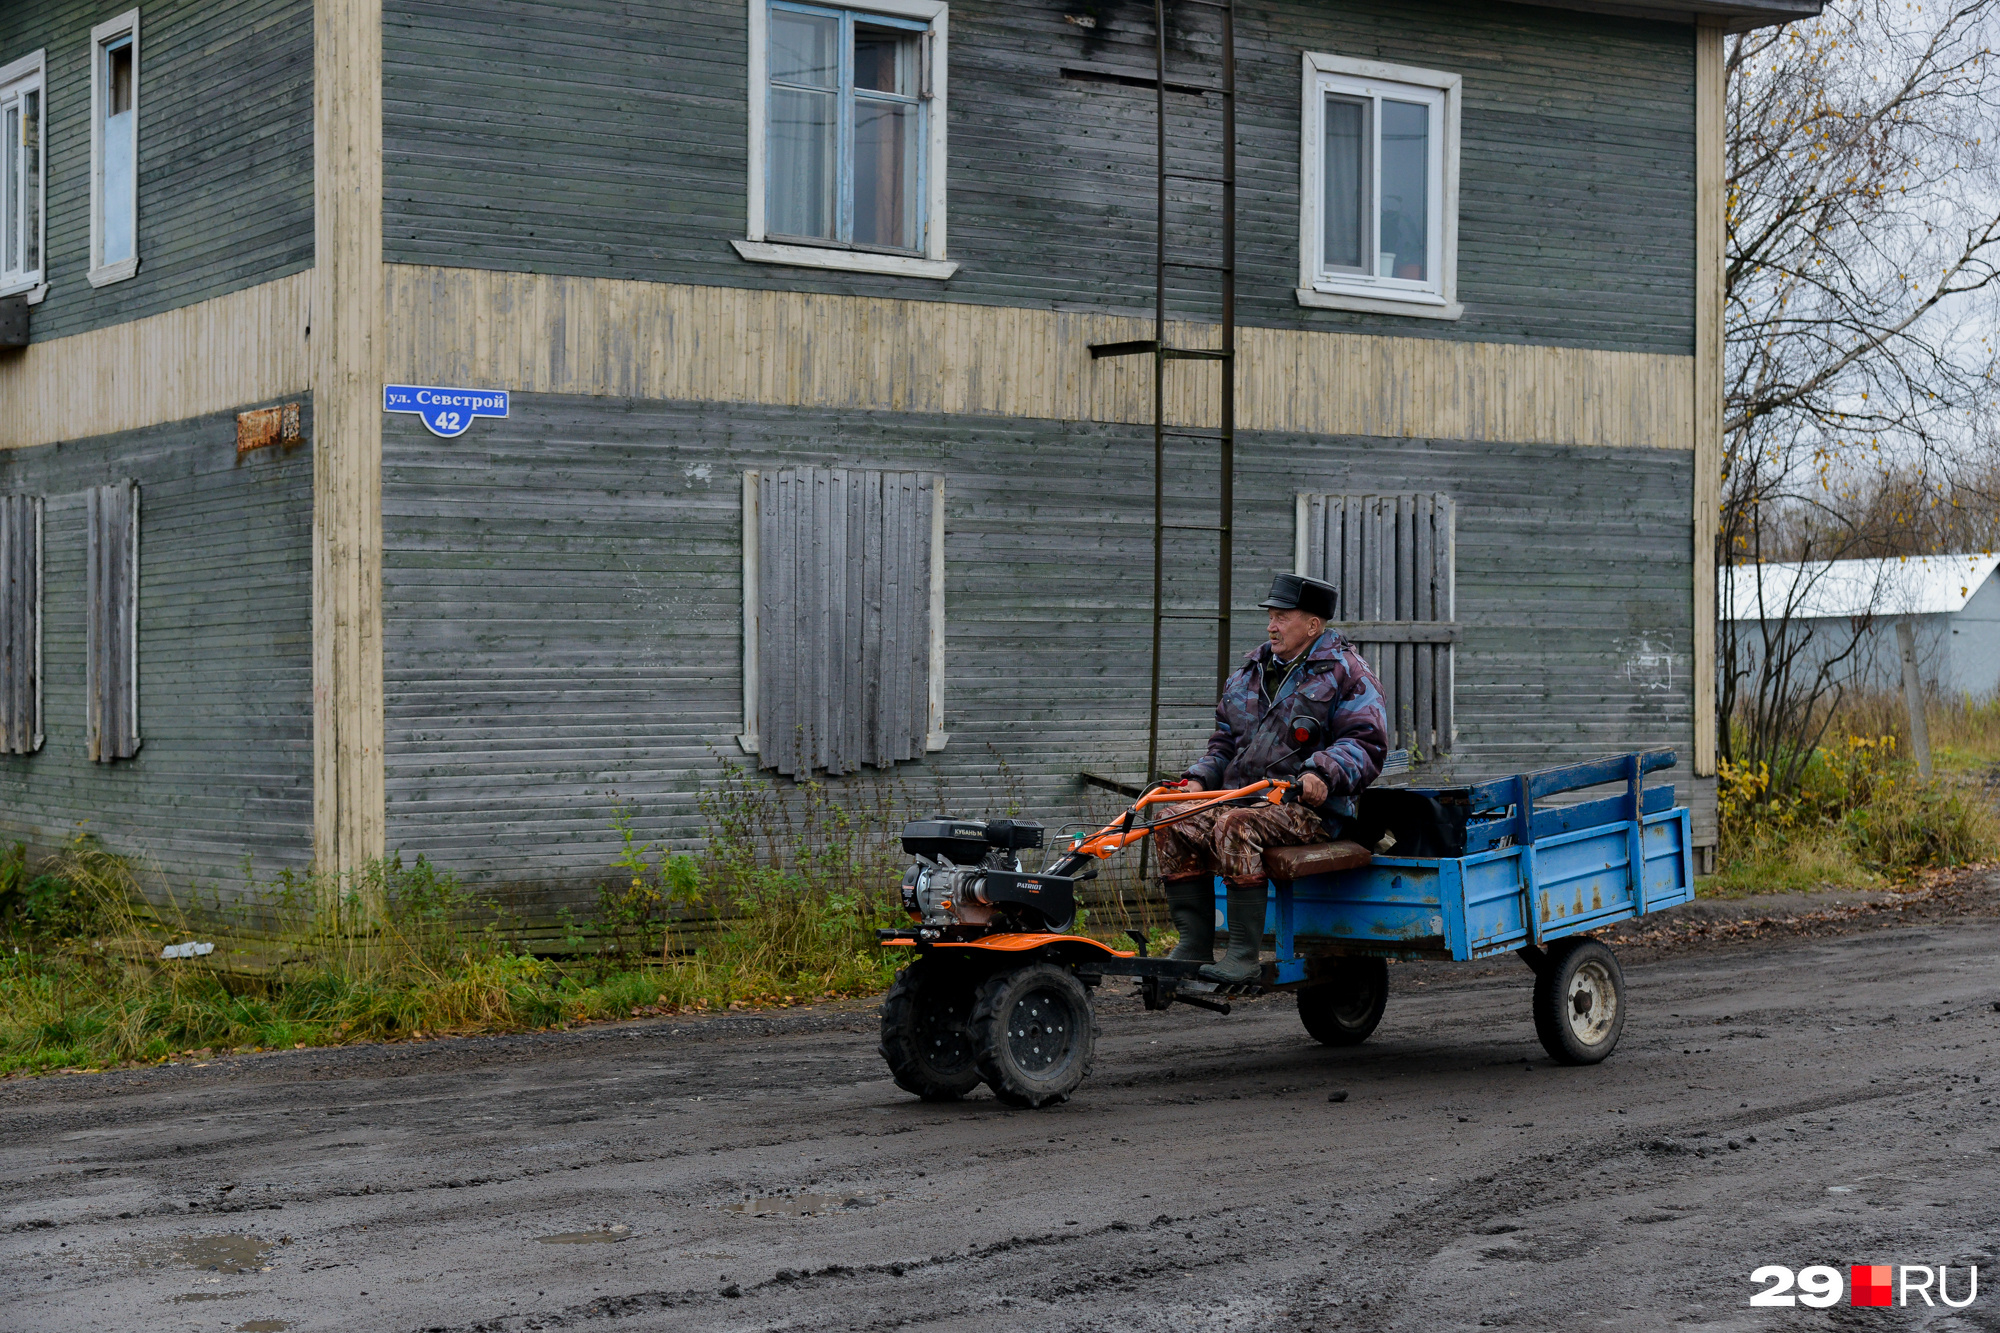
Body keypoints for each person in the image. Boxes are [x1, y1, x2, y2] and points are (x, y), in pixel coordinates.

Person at [1153, 573, 1388, 983]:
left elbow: (1365, 743)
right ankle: (1193, 944)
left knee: (1235, 826)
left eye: (1282, 617)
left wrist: (1321, 772)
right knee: (1172, 817)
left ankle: (1242, 955)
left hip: (1310, 810)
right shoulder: (1251, 671)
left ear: (1313, 625)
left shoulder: (1348, 674)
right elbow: (1225, 743)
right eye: (1270, 617)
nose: (1271, 626)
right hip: (1246, 798)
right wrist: (1198, 780)